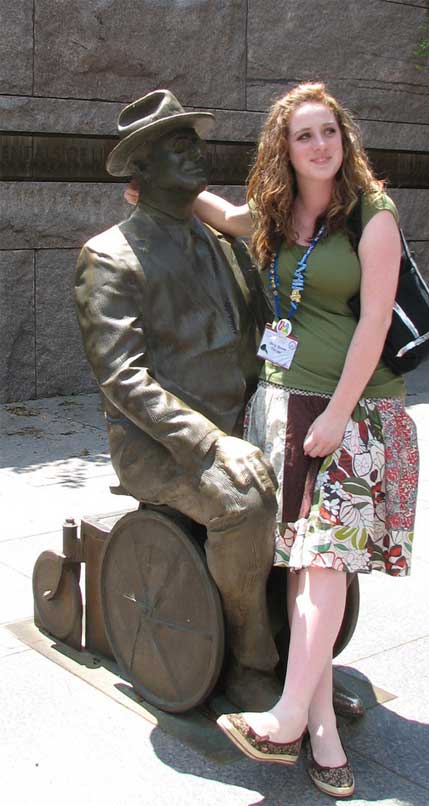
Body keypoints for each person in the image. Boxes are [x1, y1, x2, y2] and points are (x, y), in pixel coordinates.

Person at [195, 82, 419, 799]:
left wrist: (336, 416)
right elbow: (230, 217)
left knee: (323, 562)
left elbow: (376, 325)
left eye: (330, 132)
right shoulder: (278, 211)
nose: (321, 145)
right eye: (304, 136)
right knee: (302, 567)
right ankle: (319, 727)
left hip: (354, 411)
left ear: (345, 139)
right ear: (284, 149)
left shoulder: (373, 216)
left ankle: (289, 716)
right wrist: (165, 193)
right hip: (283, 401)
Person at [74, 89, 282, 711]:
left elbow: (267, 336)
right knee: (243, 500)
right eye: (178, 145)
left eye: (195, 141)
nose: (197, 153)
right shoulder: (109, 257)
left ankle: (302, 633)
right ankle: (252, 654)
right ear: (140, 167)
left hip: (245, 423)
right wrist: (213, 443)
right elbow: (123, 377)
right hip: (159, 447)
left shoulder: (226, 244)